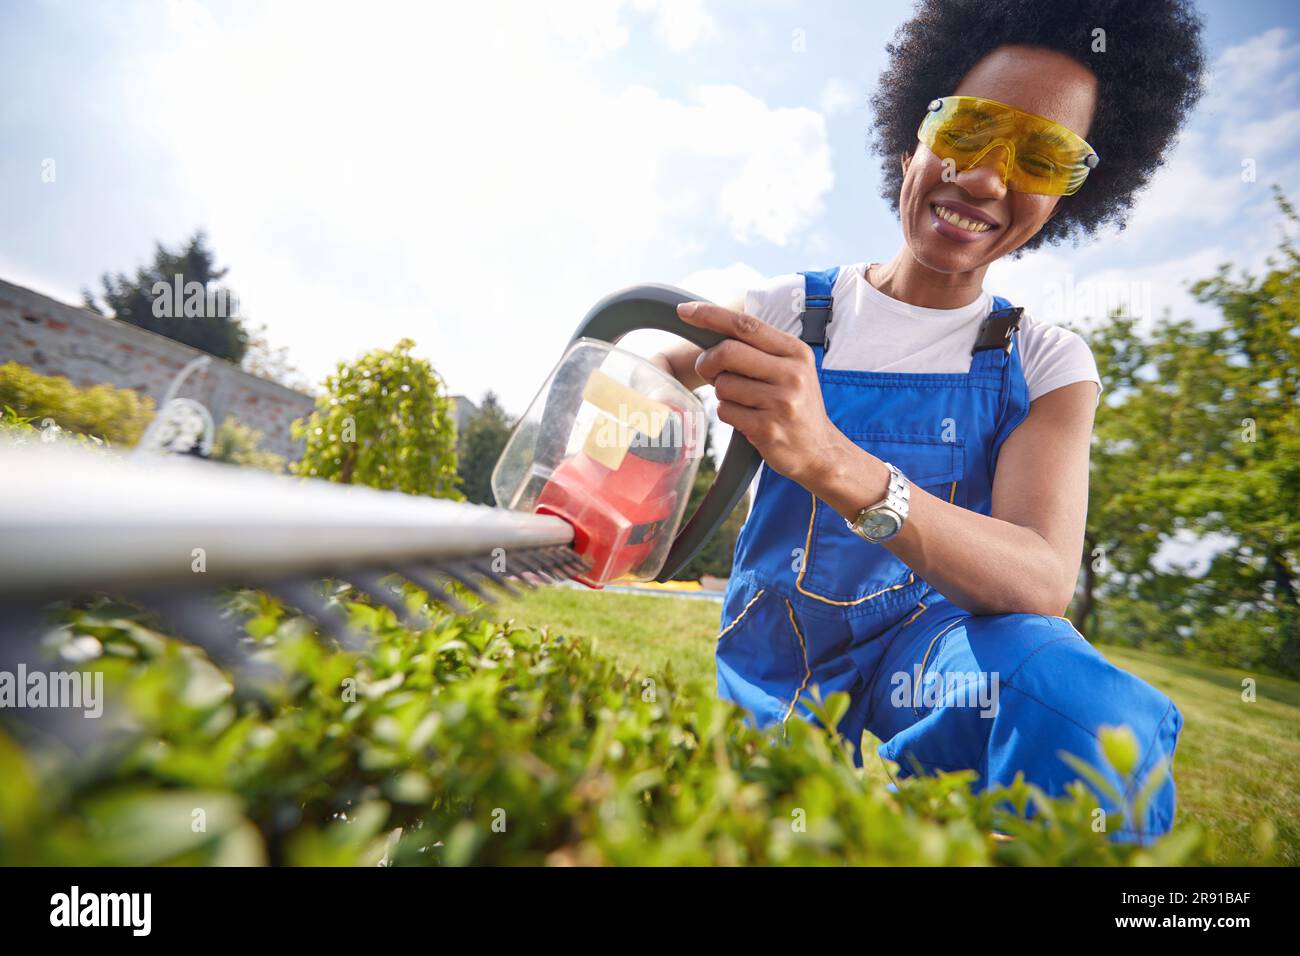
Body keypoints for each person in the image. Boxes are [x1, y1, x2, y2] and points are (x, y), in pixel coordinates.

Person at [651, 0, 1206, 841]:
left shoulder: (1046, 363)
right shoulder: (788, 313)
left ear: (1067, 195)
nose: (984, 180)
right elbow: (654, 373)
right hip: (779, 641)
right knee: (762, 832)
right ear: (916, 139)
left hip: (941, 646)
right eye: (972, 129)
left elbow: (1039, 579)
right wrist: (626, 475)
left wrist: (835, 460)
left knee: (1088, 714)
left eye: (1043, 156)